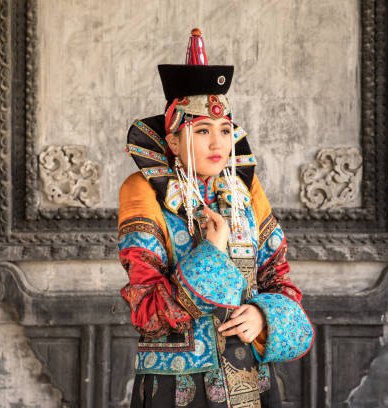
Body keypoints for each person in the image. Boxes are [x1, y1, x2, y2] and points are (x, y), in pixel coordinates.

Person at [118, 28, 314, 408]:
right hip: (178, 386)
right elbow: (146, 310)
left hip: (252, 382)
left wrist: (262, 315)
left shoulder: (246, 193)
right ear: (173, 142)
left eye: (225, 130)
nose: (217, 143)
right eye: (202, 130)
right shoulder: (142, 191)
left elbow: (280, 281)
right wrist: (210, 250)